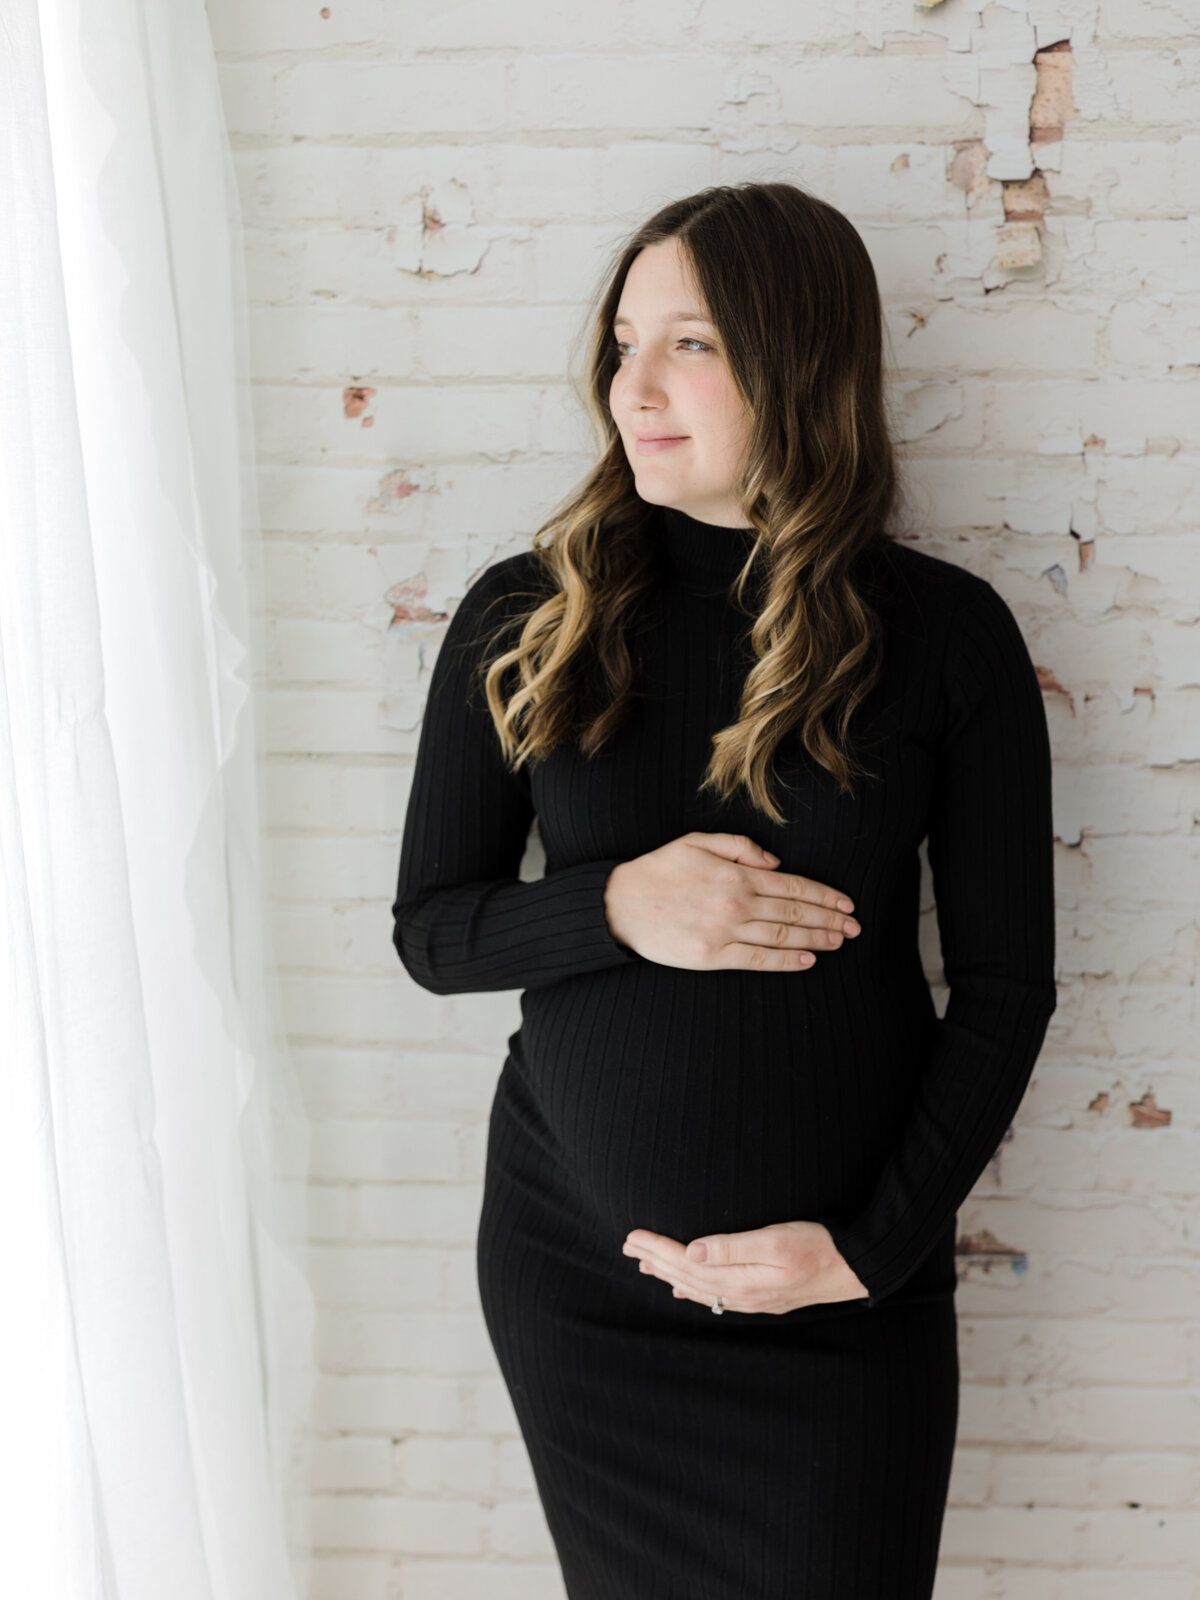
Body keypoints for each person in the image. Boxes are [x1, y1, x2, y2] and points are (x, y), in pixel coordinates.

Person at [392, 181, 1057, 1600]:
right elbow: (435, 933)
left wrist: (868, 1256)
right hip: (579, 1287)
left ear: (795, 359)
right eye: (623, 340)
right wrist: (619, 907)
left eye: (688, 343)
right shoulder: (528, 614)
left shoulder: (945, 638)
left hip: (837, 1304)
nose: (633, 383)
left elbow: (1005, 991)